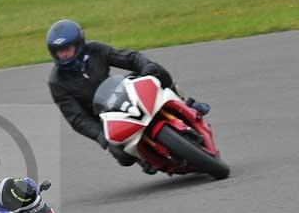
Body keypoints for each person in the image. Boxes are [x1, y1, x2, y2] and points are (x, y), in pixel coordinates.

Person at [46, 19, 210, 171]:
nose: (64, 54)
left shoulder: (95, 49)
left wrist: (146, 67)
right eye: (59, 52)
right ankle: (143, 158)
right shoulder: (57, 81)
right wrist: (100, 136)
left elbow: (129, 58)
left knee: (157, 71)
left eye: (67, 49)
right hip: (103, 118)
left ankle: (185, 103)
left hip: (121, 92)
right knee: (123, 157)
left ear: (79, 44)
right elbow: (77, 118)